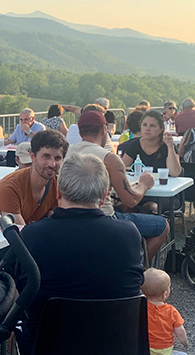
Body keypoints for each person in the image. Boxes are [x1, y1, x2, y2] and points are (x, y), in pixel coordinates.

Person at [17, 153, 144, 355]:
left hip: (44, 352)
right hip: (116, 353)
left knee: (25, 315)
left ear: (59, 191)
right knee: (109, 311)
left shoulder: (33, 235)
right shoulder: (130, 234)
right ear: (103, 197)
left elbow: (22, 291)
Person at [66, 110, 168, 260]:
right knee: (162, 225)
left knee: (127, 209)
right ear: (104, 129)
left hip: (71, 217)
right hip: (104, 218)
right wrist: (143, 185)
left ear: (80, 131)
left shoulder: (68, 152)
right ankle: (139, 271)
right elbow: (131, 199)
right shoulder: (108, 157)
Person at [0, 130, 68, 225]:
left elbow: (55, 223)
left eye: (57, 158)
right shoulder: (10, 187)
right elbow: (18, 233)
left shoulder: (57, 184)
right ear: (33, 156)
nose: (52, 164)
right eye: (46, 156)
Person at [141, 268, 188, 355]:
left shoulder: (141, 307)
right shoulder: (172, 311)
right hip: (165, 350)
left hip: (144, 348)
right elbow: (180, 331)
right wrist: (184, 342)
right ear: (165, 294)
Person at [121, 110, 181, 177]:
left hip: (165, 184)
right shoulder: (134, 145)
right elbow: (120, 169)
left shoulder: (167, 146)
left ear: (161, 129)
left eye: (152, 126)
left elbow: (174, 173)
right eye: (144, 125)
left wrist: (170, 147)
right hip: (140, 185)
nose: (147, 128)